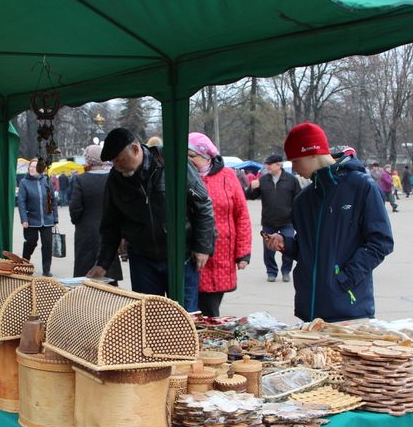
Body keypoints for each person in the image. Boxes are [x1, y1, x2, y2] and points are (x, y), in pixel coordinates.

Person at [264, 122, 393, 322]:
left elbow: (381, 243)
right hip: (310, 310)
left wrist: (345, 279)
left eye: (296, 161)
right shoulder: (303, 200)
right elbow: (308, 249)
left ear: (313, 153)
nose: (295, 169)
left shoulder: (361, 186)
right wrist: (286, 243)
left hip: (349, 310)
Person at [87, 128, 215, 312]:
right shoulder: (116, 180)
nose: (117, 166)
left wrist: (202, 247)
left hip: (181, 256)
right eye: (113, 162)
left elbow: (203, 205)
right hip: (143, 260)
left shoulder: (173, 163)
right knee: (147, 318)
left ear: (135, 149)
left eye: (120, 160)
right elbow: (110, 225)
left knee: (184, 317)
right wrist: (102, 263)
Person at [188, 132, 251, 317]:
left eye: (192, 156)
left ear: (207, 156)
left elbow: (242, 216)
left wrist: (243, 253)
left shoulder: (228, 176)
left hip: (222, 254)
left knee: (210, 306)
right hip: (192, 252)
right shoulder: (182, 177)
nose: (188, 161)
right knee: (195, 308)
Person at [70, 144, 123, 283]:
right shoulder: (113, 178)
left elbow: (75, 209)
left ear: (88, 160)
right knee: (109, 273)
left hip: (86, 234)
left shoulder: (81, 180)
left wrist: (78, 220)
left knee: (86, 276)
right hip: (110, 232)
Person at [246, 154, 300, 282]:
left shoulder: (291, 180)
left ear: (279, 165)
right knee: (269, 249)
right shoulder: (263, 180)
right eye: (266, 164)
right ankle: (271, 271)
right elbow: (251, 197)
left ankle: (286, 271)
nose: (267, 167)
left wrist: (297, 217)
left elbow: (298, 199)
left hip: (287, 221)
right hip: (269, 221)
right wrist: (251, 188)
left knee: (288, 246)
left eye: (269, 164)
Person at [17, 162, 58, 276]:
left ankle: (46, 270)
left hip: (47, 220)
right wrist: (24, 219)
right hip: (31, 220)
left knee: (47, 245)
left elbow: (53, 201)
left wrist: (55, 218)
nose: (32, 169)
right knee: (30, 242)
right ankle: (25, 264)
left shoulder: (47, 181)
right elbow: (21, 202)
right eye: (30, 166)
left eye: (35, 167)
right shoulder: (24, 182)